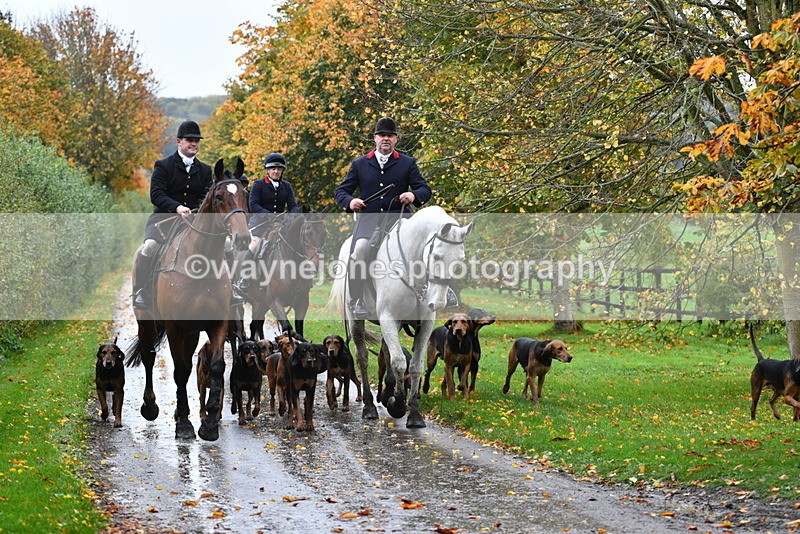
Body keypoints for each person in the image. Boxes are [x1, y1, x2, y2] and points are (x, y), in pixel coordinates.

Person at [334, 117, 433, 319]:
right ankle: (358, 299)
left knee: (428, 247)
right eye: (381, 135)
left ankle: (437, 293)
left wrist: (414, 195)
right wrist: (351, 202)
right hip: (369, 221)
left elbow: (424, 189)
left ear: (396, 139)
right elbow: (341, 191)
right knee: (360, 249)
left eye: (390, 135)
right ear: (375, 138)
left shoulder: (407, 163)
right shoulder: (360, 164)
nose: (385, 139)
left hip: (401, 220)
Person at [132, 120, 213, 310]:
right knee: (149, 248)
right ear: (179, 141)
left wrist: (196, 212)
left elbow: (207, 198)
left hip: (194, 222)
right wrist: (177, 207)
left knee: (225, 246)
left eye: (197, 141)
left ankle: (230, 288)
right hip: (164, 221)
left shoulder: (205, 170)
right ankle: (142, 291)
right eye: (190, 140)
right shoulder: (163, 165)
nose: (194, 144)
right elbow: (156, 195)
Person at [230, 152, 300, 305]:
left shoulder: (286, 186)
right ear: (267, 170)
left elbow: (292, 204)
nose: (276, 171)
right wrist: (268, 215)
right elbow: (253, 205)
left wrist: (293, 215)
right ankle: (244, 279)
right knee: (253, 246)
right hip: (260, 225)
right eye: (273, 169)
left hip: (280, 226)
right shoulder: (259, 184)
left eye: (279, 169)